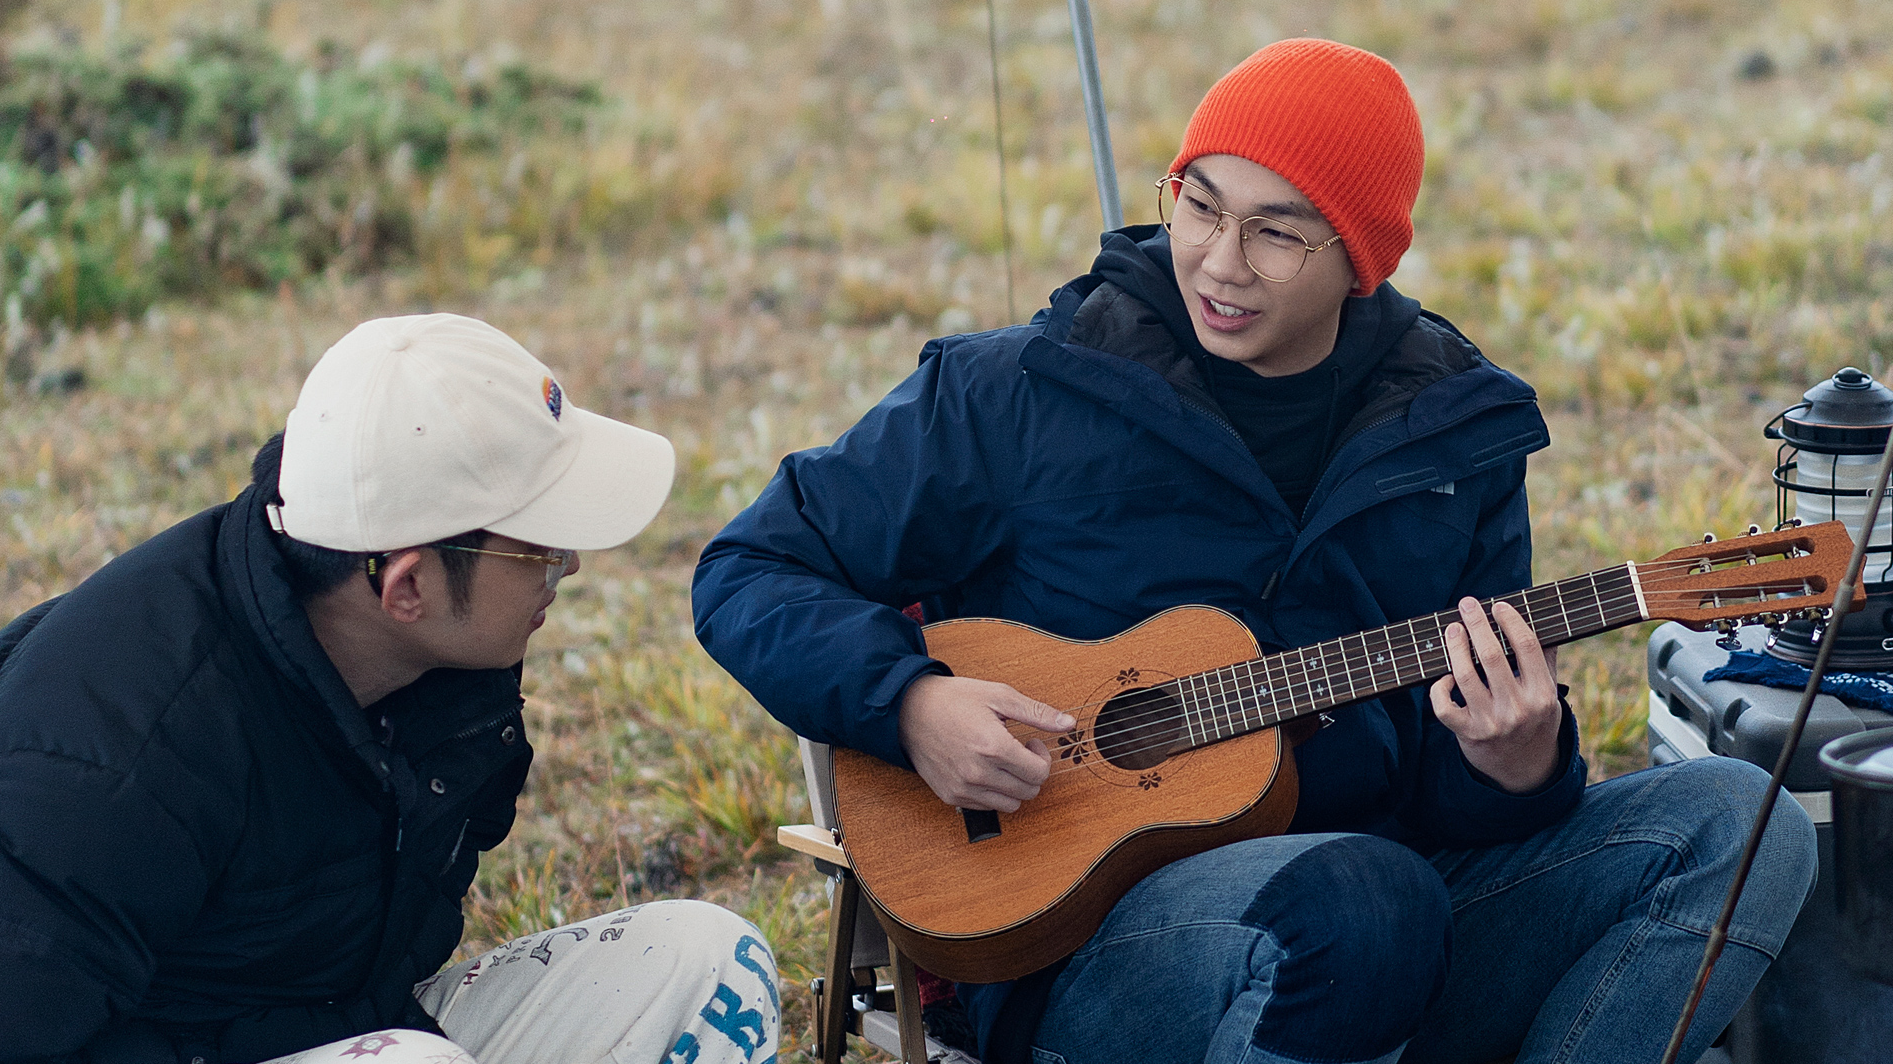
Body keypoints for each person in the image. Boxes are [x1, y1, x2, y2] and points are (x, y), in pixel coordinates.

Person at [693, 39, 1814, 1064]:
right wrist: (910, 703)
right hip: (1088, 947)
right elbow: (749, 569)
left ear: (1361, 254)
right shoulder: (1018, 390)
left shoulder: (1454, 437)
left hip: (1395, 917)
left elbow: (1448, 800)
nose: (1219, 262)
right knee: (1365, 902)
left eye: (1277, 229)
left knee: (1736, 819)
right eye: (1199, 205)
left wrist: (1512, 761)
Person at [0, 313, 779, 1064]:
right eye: (540, 547)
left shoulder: (433, 650)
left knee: (708, 963)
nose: (567, 566)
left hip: (341, 1024)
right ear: (408, 586)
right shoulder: (108, 767)